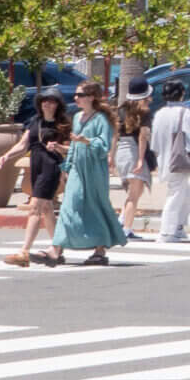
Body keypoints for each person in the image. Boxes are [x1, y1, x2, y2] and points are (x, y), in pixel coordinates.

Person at [53, 81, 127, 265]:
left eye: (80, 95)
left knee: (95, 205)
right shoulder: (77, 117)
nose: (76, 98)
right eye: (76, 95)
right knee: (69, 205)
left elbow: (104, 146)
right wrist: (66, 163)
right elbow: (74, 145)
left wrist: (87, 141)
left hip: (94, 169)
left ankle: (100, 249)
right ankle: (57, 248)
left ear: (91, 97)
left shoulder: (101, 119)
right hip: (78, 167)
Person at [0, 89, 71, 267]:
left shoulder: (62, 125)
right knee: (46, 209)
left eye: (52, 101)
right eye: (44, 100)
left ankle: (24, 251)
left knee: (35, 207)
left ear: (57, 105)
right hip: (36, 166)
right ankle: (57, 249)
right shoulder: (35, 122)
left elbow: (72, 148)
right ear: (40, 103)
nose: (47, 104)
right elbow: (23, 145)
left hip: (51, 168)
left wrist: (59, 147)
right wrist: (7, 155)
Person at [149, 80, 190, 245]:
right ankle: (166, 231)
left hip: (163, 158)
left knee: (185, 193)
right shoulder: (184, 112)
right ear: (182, 94)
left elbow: (154, 142)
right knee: (176, 194)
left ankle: (178, 227)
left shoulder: (159, 113)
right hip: (178, 159)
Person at [114, 81, 154, 240]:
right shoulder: (144, 112)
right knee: (134, 195)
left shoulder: (121, 110)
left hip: (121, 151)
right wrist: (140, 159)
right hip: (134, 150)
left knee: (134, 191)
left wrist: (111, 156)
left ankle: (122, 220)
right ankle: (126, 229)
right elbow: (143, 136)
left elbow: (114, 135)